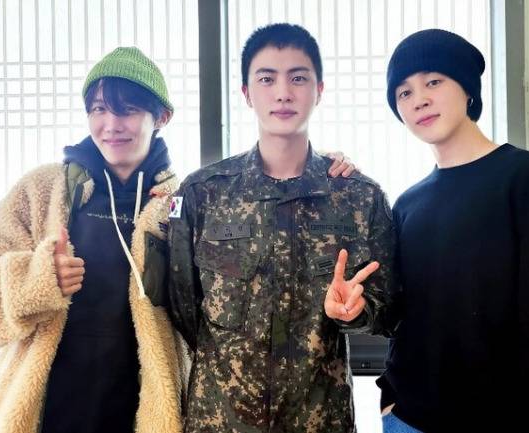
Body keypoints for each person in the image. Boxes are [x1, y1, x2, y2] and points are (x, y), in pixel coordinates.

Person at [167, 23, 399, 433]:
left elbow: (385, 309)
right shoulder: (203, 194)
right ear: (246, 93)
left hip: (319, 420)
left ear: (319, 90)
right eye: (266, 78)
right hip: (220, 420)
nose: (283, 93)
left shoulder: (359, 197)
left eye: (298, 78)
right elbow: (183, 306)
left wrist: (354, 313)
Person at [0, 47, 190, 433]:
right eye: (99, 109)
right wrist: (37, 278)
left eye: (128, 110)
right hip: (44, 416)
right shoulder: (43, 190)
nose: (111, 124)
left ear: (162, 116)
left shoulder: (180, 205)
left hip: (141, 417)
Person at [377, 29, 529, 433]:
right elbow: (401, 315)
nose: (418, 99)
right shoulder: (407, 204)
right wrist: (390, 398)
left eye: (433, 81)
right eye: (403, 92)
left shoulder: (528, 178)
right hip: (408, 420)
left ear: (467, 89)